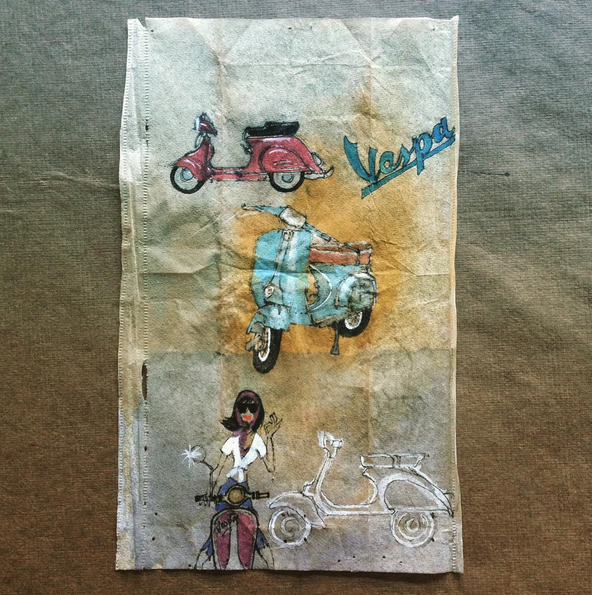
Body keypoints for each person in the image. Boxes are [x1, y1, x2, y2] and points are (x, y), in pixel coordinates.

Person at [196, 390, 282, 569]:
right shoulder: (233, 440)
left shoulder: (258, 441)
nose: (247, 414)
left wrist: (270, 437)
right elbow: (218, 469)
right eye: (243, 411)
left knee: (253, 528)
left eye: (251, 411)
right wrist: (210, 493)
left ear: (257, 414)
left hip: (244, 489)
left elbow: (271, 466)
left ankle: (271, 566)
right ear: (238, 413)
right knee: (219, 528)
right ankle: (199, 564)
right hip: (227, 488)